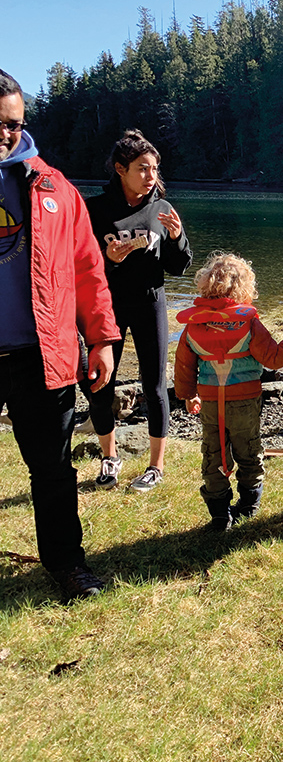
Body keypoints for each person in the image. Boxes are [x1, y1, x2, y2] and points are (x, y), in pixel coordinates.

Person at [0, 68, 120, 601]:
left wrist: (101, 341)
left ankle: (67, 566)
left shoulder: (54, 188)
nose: (6, 133)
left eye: (15, 123)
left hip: (40, 355)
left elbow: (88, 269)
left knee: (52, 469)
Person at [84, 129, 193, 492]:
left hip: (150, 301)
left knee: (155, 384)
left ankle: (155, 466)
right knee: (100, 383)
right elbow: (80, 265)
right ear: (121, 169)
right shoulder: (96, 209)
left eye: (155, 169)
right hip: (107, 305)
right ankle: (109, 458)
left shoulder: (162, 209)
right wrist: (107, 259)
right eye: (143, 169)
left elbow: (179, 267)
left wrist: (178, 238)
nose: (151, 176)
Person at [174, 252, 283, 531]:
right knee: (248, 450)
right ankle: (248, 507)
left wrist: (189, 395)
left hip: (211, 402)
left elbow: (183, 366)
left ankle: (219, 515)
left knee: (214, 453)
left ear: (205, 285)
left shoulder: (194, 325)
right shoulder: (248, 321)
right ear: (244, 288)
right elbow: (272, 358)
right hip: (245, 402)